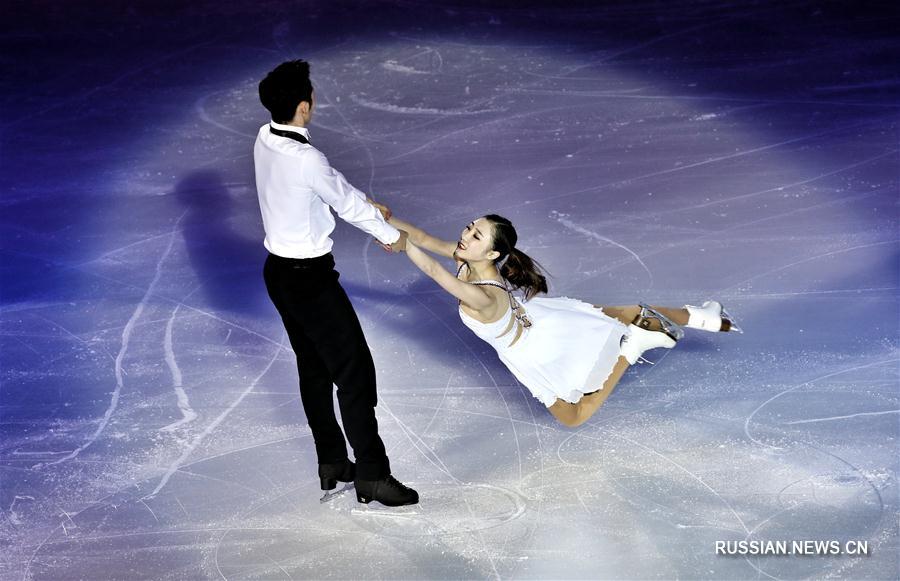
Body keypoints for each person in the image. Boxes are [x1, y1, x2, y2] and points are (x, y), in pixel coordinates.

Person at [376, 211, 741, 427]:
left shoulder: (481, 293)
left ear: (493, 251)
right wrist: (385, 217)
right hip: (536, 320)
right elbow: (423, 236)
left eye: (475, 235)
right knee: (613, 315)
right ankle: (704, 317)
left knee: (573, 415)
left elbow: (435, 273)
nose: (464, 236)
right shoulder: (469, 261)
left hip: (532, 349)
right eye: (469, 228)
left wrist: (403, 243)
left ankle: (632, 348)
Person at [254, 60, 417, 506]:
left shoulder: (266, 137)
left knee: (314, 370)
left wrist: (367, 203)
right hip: (310, 281)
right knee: (355, 374)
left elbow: (328, 192)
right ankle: (372, 475)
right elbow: (342, 202)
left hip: (279, 274)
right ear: (304, 107)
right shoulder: (308, 159)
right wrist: (391, 236)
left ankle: (332, 462)